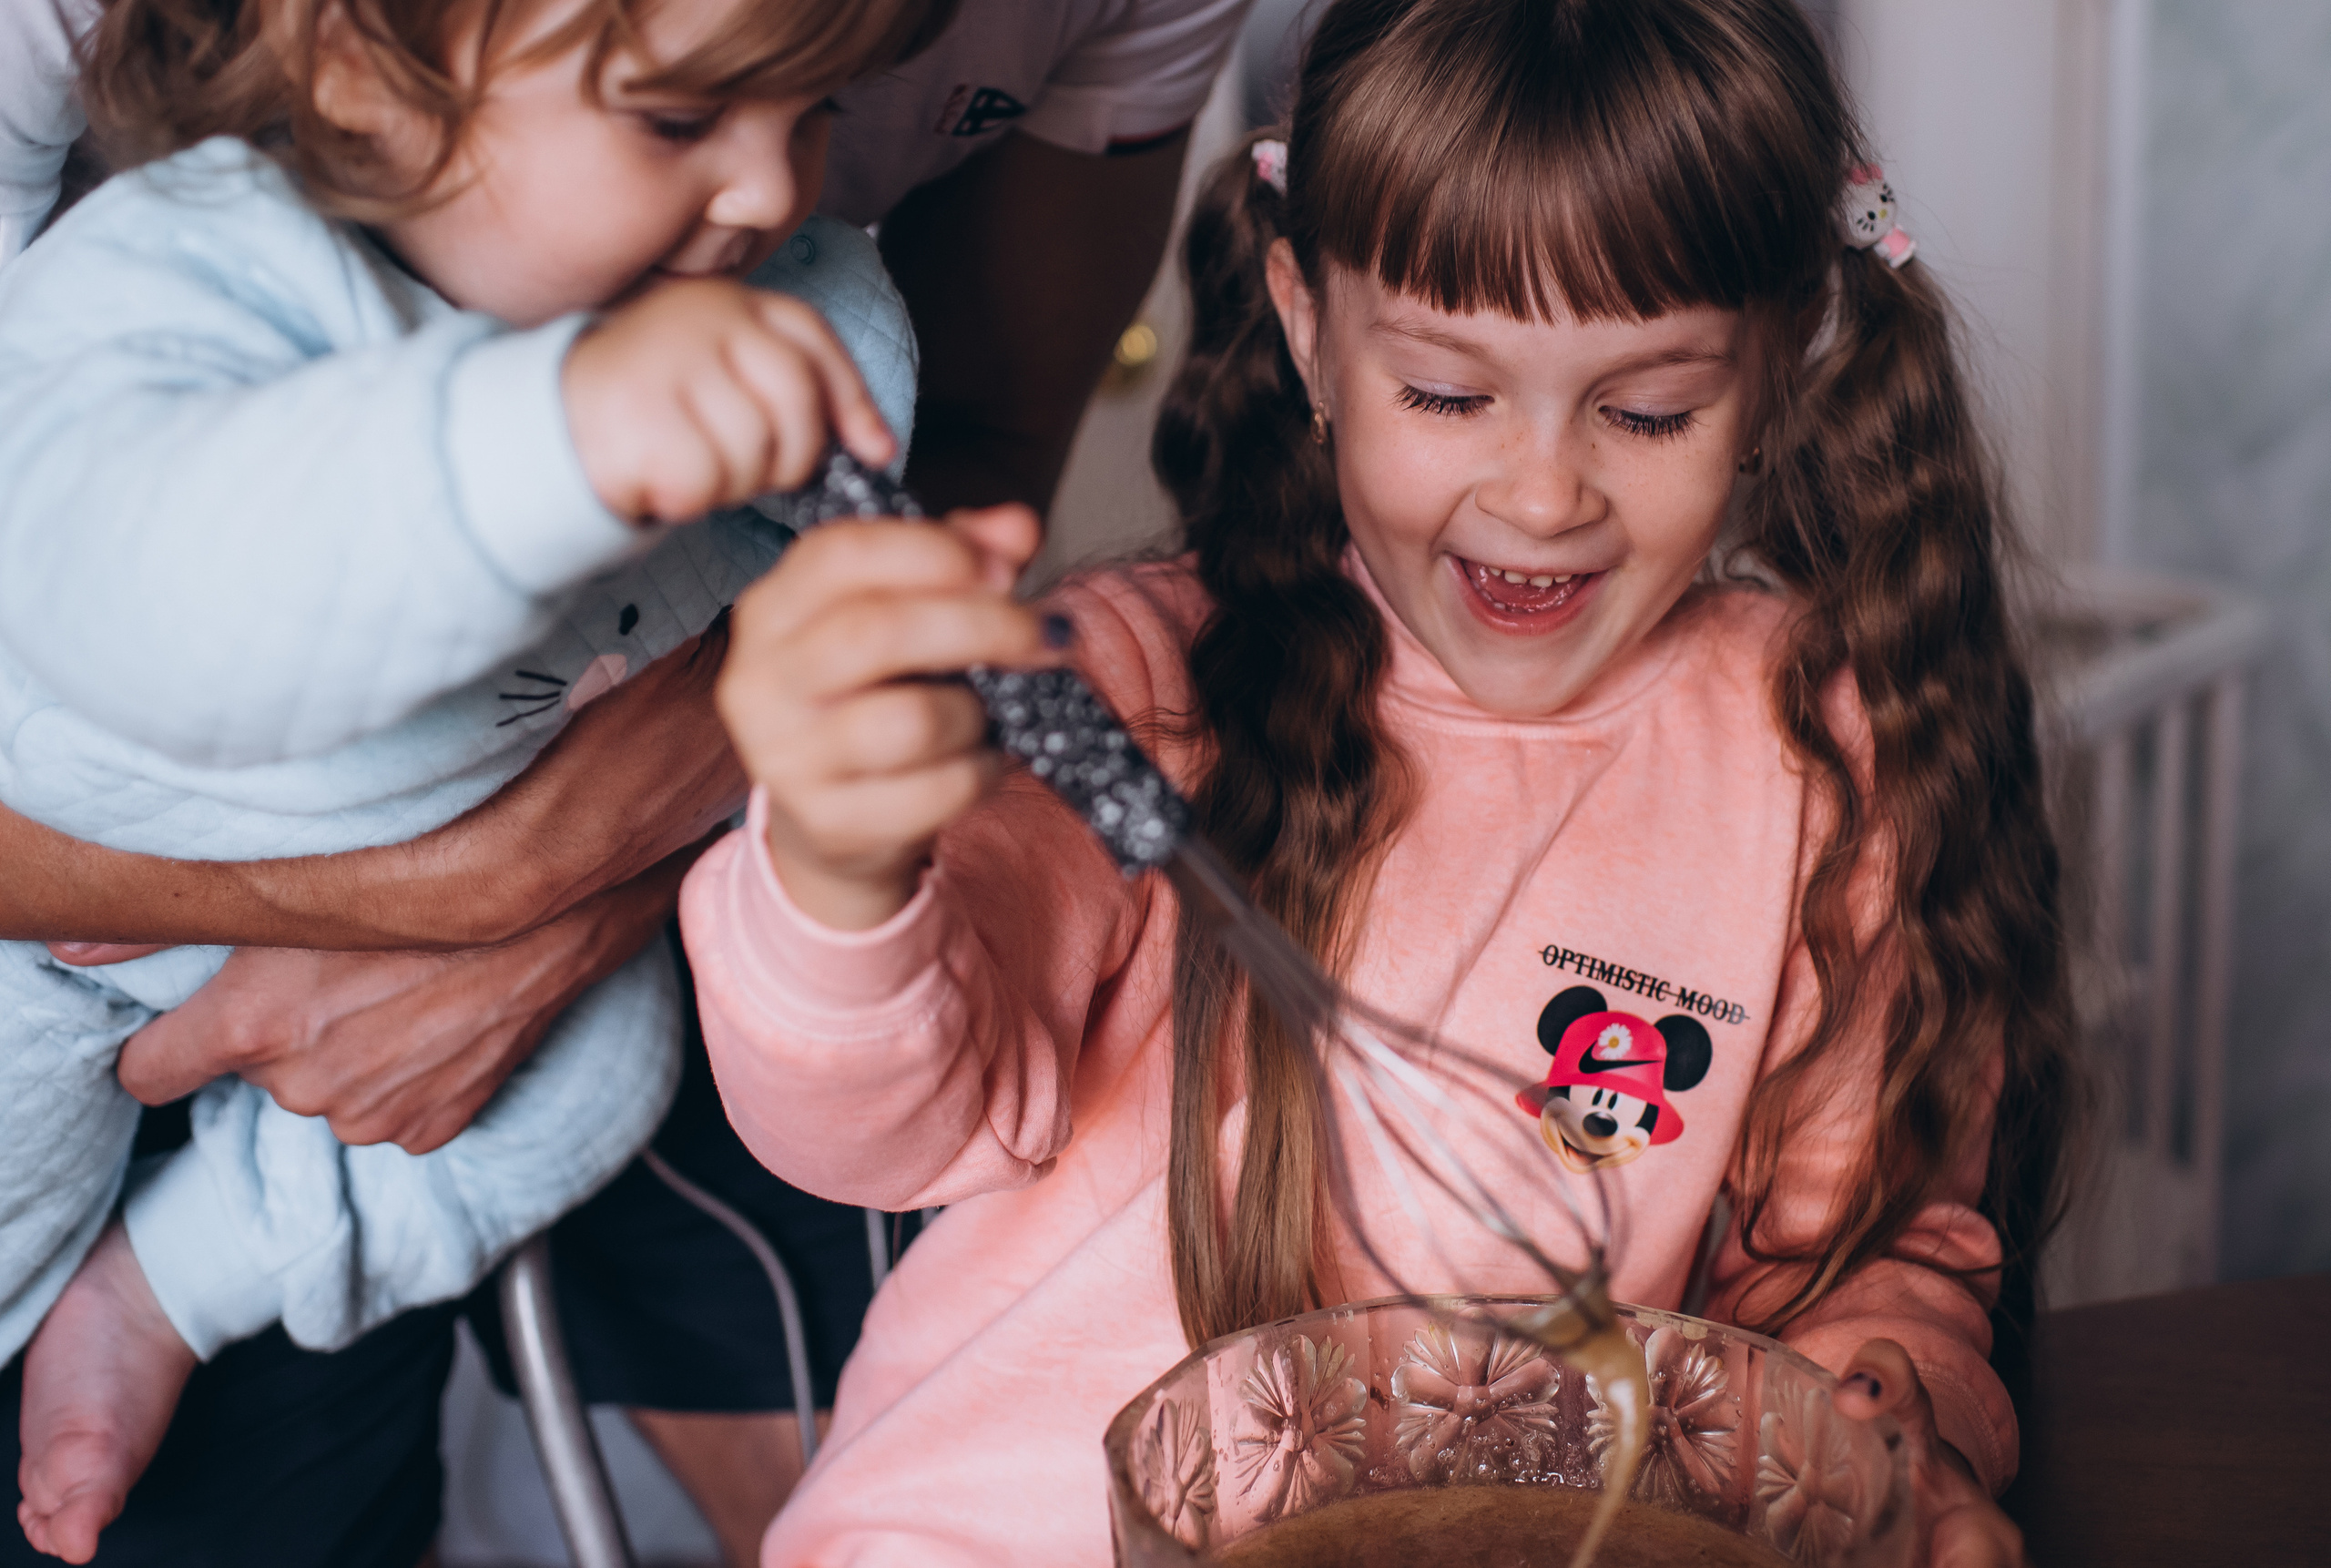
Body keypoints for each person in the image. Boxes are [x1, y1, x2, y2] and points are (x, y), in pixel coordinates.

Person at [685, 0, 2072, 1563]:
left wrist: (1890, 1428)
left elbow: (1868, 1266)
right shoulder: (1142, 692)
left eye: (1646, 410)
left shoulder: (1817, 760)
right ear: (1306, 324)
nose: (1541, 492)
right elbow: (874, 1112)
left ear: (1778, 364)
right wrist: (842, 870)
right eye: (1447, 393)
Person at [0, 1, 1253, 1561]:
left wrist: (889, 626)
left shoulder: (777, 302)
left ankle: (167, 1287)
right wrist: (552, 442)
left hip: (484, 896)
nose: (771, 191)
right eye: (679, 123)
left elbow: (915, 501)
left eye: (808, 117)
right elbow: (176, 624)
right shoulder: (187, 274)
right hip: (56, 915)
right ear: (347, 67)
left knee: (597, 1080)